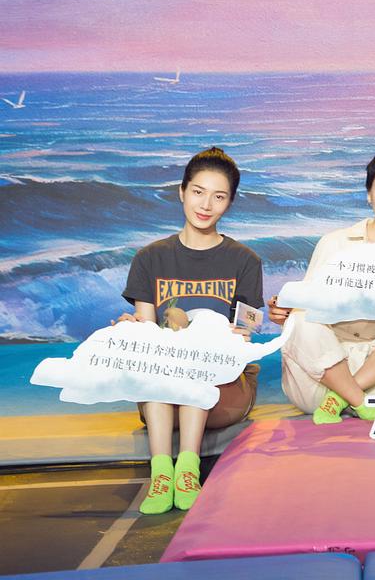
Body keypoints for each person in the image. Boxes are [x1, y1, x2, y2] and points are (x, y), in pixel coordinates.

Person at [119, 147, 264, 515]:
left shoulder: (245, 261)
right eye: (198, 192)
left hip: (224, 388)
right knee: (162, 365)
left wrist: (225, 339)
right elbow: (148, 331)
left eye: (219, 196)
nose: (206, 205)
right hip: (162, 393)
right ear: (182, 191)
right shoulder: (150, 258)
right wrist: (131, 330)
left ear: (230, 202)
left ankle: (187, 470)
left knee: (193, 367)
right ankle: (161, 474)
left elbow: (246, 334)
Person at [272, 149, 375, 424]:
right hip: (322, 377)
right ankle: (356, 399)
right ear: (369, 194)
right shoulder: (335, 243)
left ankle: (344, 398)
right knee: (300, 319)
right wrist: (285, 311)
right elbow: (306, 307)